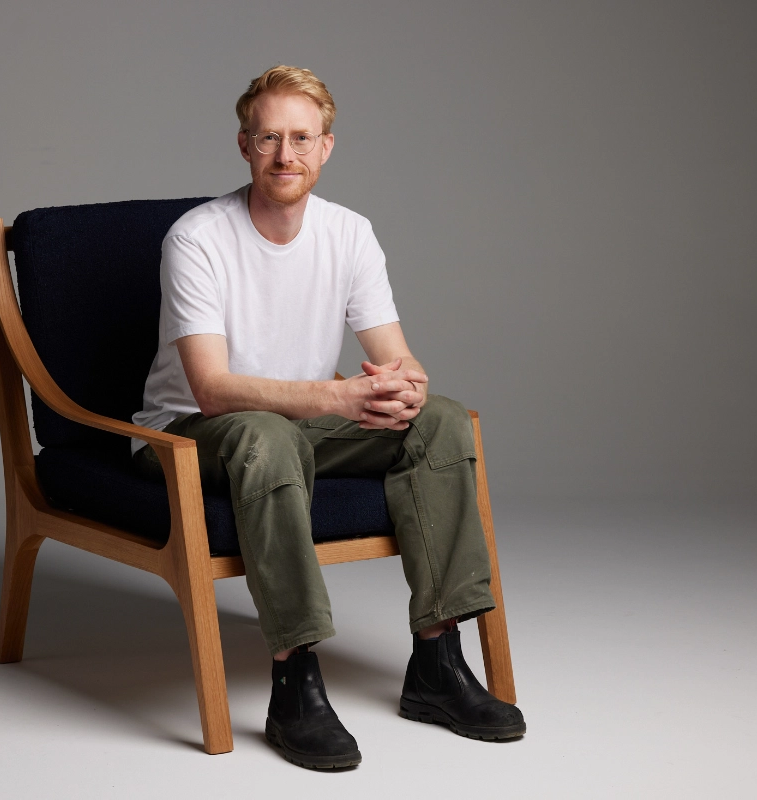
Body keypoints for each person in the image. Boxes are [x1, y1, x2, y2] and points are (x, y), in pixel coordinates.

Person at [131, 65, 524, 770]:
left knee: (439, 420)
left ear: (326, 148)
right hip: (191, 434)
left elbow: (396, 358)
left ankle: (438, 661)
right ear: (245, 145)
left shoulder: (349, 233)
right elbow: (214, 389)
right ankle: (294, 676)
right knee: (264, 435)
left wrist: (405, 388)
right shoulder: (197, 238)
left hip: (299, 426)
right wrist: (342, 398)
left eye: (302, 138)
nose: (287, 155)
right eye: (270, 138)